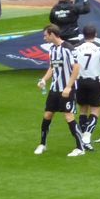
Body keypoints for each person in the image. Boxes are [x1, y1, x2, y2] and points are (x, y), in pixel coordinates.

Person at [34, 25, 86, 157]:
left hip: (67, 89)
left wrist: (68, 87)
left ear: (52, 34)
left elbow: (76, 68)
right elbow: (52, 67)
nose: (44, 38)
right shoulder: (52, 49)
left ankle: (80, 148)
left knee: (68, 116)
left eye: (46, 35)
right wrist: (44, 80)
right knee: (47, 115)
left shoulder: (69, 48)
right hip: (55, 89)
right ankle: (42, 144)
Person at [73, 25, 100, 152]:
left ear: (83, 34)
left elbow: (73, 65)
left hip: (80, 81)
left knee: (83, 109)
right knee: (95, 110)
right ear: (95, 34)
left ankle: (82, 138)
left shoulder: (76, 47)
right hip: (94, 82)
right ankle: (87, 138)